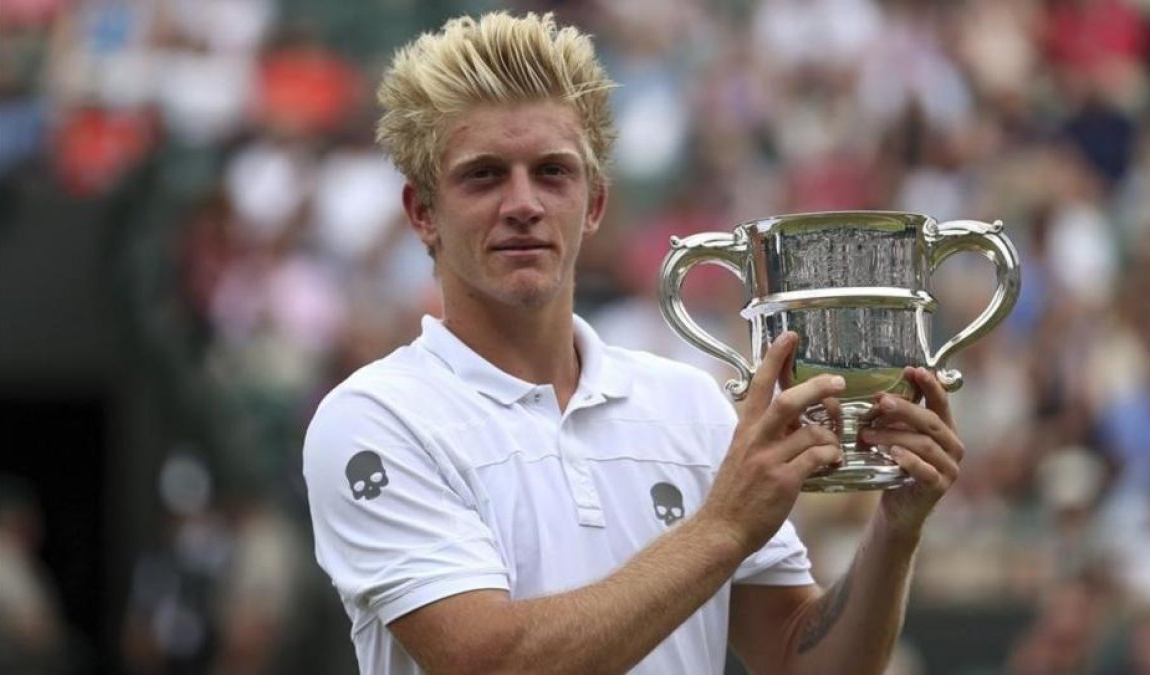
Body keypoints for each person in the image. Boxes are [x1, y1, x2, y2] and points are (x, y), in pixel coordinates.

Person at [302, 12, 965, 675]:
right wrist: (722, 528)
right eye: (484, 175)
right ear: (422, 213)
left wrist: (895, 529)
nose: (523, 202)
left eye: (553, 172)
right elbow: (492, 663)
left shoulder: (687, 404)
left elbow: (802, 660)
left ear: (594, 205)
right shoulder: (374, 418)